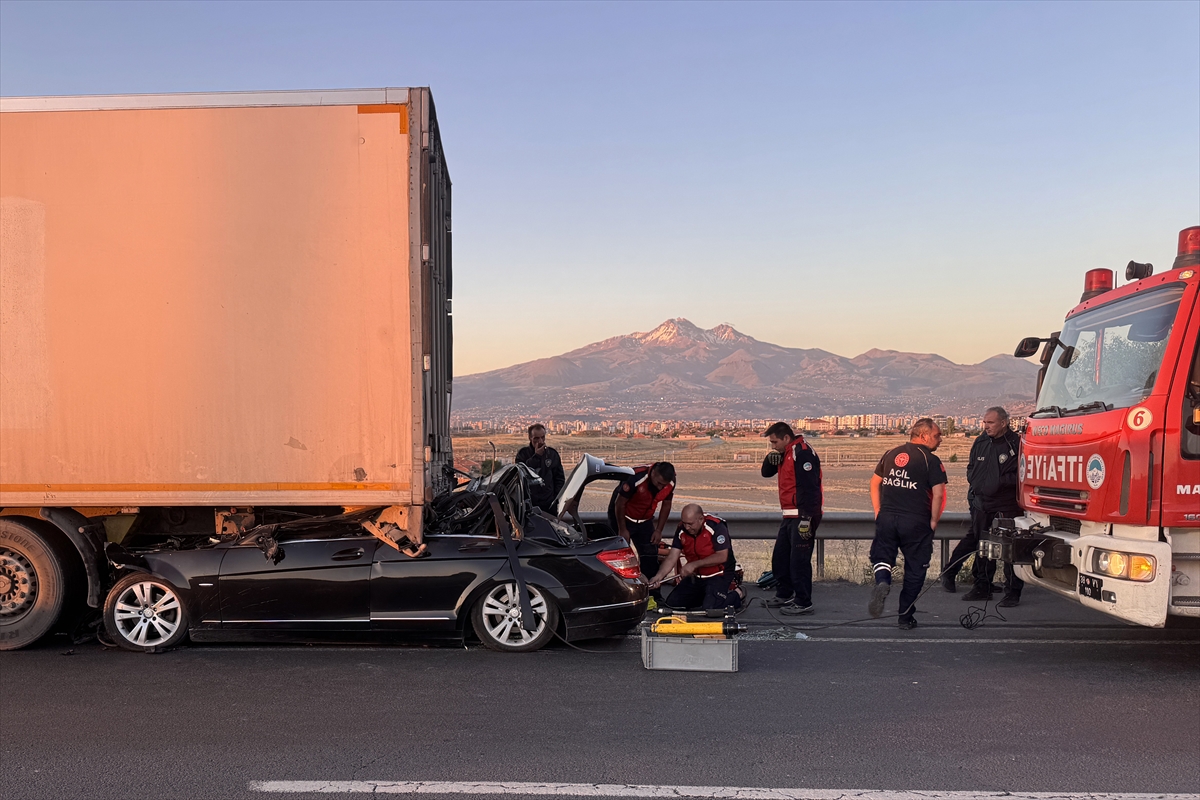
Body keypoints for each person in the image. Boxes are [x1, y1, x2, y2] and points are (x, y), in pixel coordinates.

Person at [867, 418, 947, 630]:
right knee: (915, 569)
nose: (940, 439)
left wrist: (878, 510)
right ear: (923, 436)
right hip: (915, 522)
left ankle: (882, 581)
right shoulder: (930, 460)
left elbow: (874, 483)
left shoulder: (890, 453)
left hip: (887, 518)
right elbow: (938, 494)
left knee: (882, 556)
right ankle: (905, 616)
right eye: (937, 435)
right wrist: (933, 520)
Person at [944, 406, 1024, 606]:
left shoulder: (1016, 443)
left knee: (1009, 550)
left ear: (1003, 423)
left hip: (1006, 505)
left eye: (990, 422)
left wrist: (998, 482)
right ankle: (982, 586)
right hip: (981, 504)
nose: (986, 426)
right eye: (984, 422)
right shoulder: (980, 442)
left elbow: (1022, 474)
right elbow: (971, 467)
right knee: (983, 547)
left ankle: (1012, 593)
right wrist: (976, 482)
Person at [760, 421, 823, 615]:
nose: (773, 446)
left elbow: (810, 488)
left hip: (803, 515)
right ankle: (784, 593)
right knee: (781, 558)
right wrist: (769, 458)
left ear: (786, 438)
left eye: (775, 442)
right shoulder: (784, 453)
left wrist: (806, 518)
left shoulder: (802, 454)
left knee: (799, 561)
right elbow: (766, 473)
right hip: (788, 514)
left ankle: (803, 602)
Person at [648, 504, 742, 612]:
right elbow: (672, 557)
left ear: (701, 519)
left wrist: (694, 564)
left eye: (690, 524)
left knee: (711, 609)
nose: (687, 527)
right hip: (696, 576)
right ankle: (708, 597)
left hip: (718, 574)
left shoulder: (716, 526)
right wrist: (659, 577)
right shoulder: (682, 529)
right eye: (684, 523)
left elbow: (722, 556)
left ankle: (737, 594)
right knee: (673, 604)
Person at [607, 461, 676, 588]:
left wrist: (659, 530)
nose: (661, 488)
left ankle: (651, 592)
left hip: (645, 520)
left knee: (650, 556)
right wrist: (622, 529)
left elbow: (666, 505)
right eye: (659, 483)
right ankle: (620, 589)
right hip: (622, 517)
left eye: (664, 485)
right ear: (653, 473)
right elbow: (619, 504)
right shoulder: (635, 477)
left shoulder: (670, 482)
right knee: (620, 556)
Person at [514, 424, 566, 514]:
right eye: (536, 438)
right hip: (529, 504)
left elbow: (559, 478)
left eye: (542, 437)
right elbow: (521, 473)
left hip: (549, 504)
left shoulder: (552, 454)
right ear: (530, 438)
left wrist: (555, 498)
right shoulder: (523, 454)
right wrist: (537, 457)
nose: (540, 441)